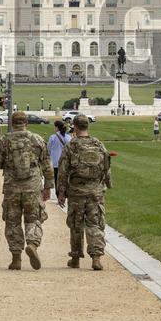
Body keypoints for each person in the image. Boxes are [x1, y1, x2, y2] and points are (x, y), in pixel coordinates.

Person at [0, 111, 53, 270]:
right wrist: (48, 186)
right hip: (32, 185)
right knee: (34, 218)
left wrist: (7, 163)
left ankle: (16, 258)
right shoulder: (37, 140)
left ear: (12, 123)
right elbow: (47, 165)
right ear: (26, 123)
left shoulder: (5, 141)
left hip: (12, 187)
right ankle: (32, 243)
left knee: (12, 222)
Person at [56, 114, 111, 271]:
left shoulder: (71, 145)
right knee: (95, 224)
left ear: (75, 126)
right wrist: (106, 183)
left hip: (76, 192)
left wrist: (61, 192)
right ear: (87, 126)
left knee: (76, 225)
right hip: (95, 191)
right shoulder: (98, 144)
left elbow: (63, 171)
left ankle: (75, 257)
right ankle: (96, 257)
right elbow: (106, 166)